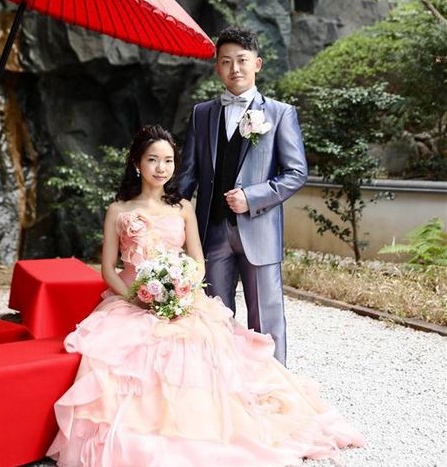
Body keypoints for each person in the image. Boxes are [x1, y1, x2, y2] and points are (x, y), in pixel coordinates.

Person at [47, 124, 364, 466]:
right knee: (115, 359)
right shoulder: (118, 210)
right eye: (152, 159)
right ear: (137, 163)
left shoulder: (183, 207)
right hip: (132, 299)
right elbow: (108, 269)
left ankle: (204, 425)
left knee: (203, 350)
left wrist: (181, 291)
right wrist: (137, 298)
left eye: (168, 160)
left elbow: (197, 261)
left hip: (181, 299)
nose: (161, 168)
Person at [178, 27, 307, 366]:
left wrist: (252, 197)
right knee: (214, 317)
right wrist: (166, 217)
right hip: (212, 232)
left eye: (242, 60)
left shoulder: (280, 113)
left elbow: (296, 173)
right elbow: (187, 175)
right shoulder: (201, 114)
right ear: (217, 68)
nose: (234, 68)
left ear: (257, 64)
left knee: (266, 318)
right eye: (226, 62)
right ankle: (221, 384)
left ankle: (273, 386)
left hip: (259, 231)